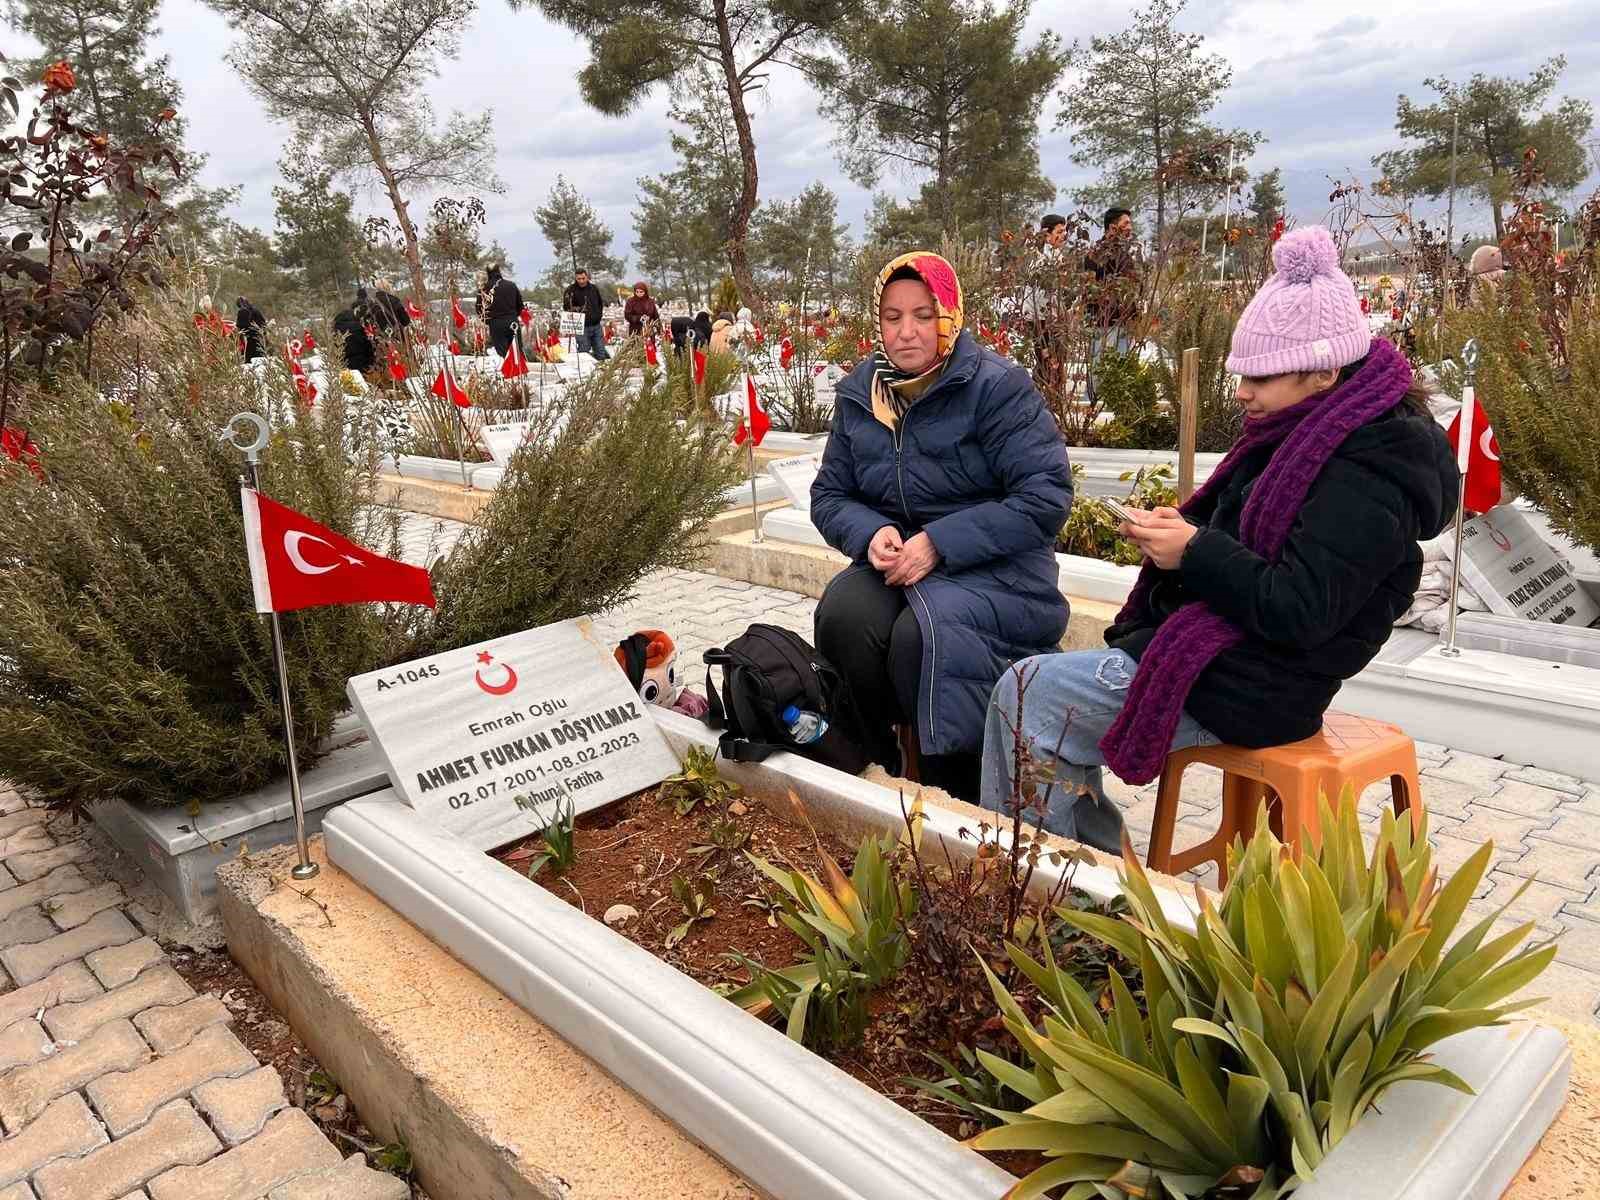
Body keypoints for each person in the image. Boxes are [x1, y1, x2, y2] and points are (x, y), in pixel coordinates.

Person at [979, 226, 1457, 850]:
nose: (1242, 391)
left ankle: (1053, 889)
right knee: (1028, 684)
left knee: (1029, 697)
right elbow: (1255, 549)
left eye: (1261, 377)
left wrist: (1195, 551)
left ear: (1323, 373)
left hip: (1265, 682)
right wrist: (1181, 541)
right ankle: (1092, 878)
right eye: (1241, 373)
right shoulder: (1310, 431)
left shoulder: (1368, 468)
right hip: (1233, 654)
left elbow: (1300, 609)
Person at [811, 252, 1073, 803]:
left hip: (995, 569)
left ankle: (956, 792)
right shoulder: (864, 393)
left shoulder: (996, 388)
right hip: (902, 565)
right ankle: (877, 776)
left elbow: (1044, 498)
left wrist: (940, 542)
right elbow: (830, 494)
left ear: (949, 317)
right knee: (844, 616)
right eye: (892, 316)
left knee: (922, 641)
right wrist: (871, 532)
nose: (906, 332)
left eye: (923, 315)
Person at [477, 263, 524, 357]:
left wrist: (489, 322)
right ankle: (518, 371)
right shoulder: (511, 285)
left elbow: (479, 310)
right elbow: (520, 306)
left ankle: (508, 371)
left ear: (488, 273)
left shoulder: (484, 289)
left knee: (503, 355)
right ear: (499, 271)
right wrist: (513, 316)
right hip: (512, 322)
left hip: (496, 325)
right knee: (517, 354)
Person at [562, 268, 608, 360]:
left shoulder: (594, 288)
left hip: (596, 325)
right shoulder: (570, 291)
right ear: (576, 278)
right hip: (581, 327)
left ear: (587, 277)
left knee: (600, 351)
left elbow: (599, 303)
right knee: (584, 352)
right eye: (579, 279)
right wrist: (577, 309)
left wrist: (599, 316)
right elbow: (566, 307)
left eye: (583, 278)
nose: (581, 281)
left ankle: (602, 371)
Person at [333, 303, 376, 372]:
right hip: (361, 362)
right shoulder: (357, 327)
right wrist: (371, 359)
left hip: (343, 363)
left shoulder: (336, 328)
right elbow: (366, 345)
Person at [235, 296, 267, 362]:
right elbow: (263, 324)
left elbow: (240, 326)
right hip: (260, 338)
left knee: (249, 360)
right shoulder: (256, 310)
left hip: (249, 339)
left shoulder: (242, 311)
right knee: (261, 359)